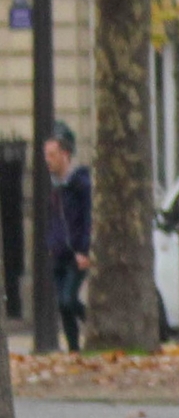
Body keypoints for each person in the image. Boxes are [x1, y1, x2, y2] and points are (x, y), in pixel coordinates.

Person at [43, 123, 92, 353]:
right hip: (59, 251)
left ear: (65, 154)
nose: (48, 160)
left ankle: (93, 321)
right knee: (63, 308)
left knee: (68, 299)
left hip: (76, 252)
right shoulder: (53, 187)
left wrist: (84, 250)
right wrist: (51, 243)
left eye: (52, 155)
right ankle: (74, 349)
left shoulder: (80, 184)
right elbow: (51, 219)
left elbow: (87, 218)